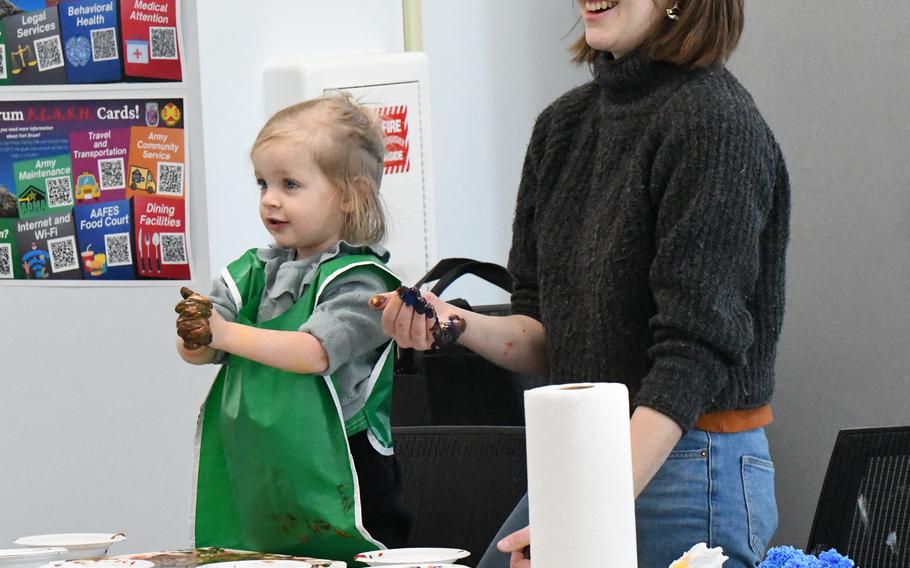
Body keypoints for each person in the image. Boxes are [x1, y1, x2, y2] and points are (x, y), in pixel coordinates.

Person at [372, 1, 789, 567]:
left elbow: (693, 355)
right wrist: (454, 324)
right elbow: (546, 331)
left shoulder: (715, 123)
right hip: (589, 458)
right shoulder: (563, 126)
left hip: (689, 460)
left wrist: (588, 510)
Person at [175, 93, 411, 561]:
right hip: (264, 471)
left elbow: (314, 352)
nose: (270, 200)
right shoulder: (254, 273)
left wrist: (224, 333)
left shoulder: (362, 282)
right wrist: (197, 335)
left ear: (350, 195)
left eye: (290, 184)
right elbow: (202, 352)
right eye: (262, 183)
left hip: (344, 474)